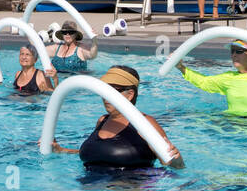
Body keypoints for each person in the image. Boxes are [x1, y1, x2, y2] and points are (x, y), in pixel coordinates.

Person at [50, 65, 183, 169]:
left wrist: (177, 159)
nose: (105, 96)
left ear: (130, 94)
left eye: (112, 91)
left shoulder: (145, 123)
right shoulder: (102, 120)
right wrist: (61, 150)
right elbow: (101, 152)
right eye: (104, 90)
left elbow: (174, 165)